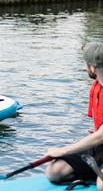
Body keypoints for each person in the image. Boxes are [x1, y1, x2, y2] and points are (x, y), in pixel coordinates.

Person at [45, 42, 103, 189]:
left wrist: (63, 150)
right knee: (55, 172)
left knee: (102, 185)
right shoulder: (97, 85)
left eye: (86, 64)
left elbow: (101, 135)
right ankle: (96, 172)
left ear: (92, 68)